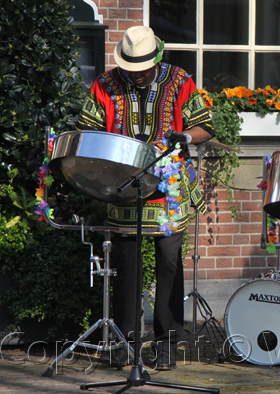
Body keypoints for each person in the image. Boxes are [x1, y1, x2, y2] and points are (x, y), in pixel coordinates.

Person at [75, 25, 214, 370]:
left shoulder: (179, 80)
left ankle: (166, 343)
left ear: (157, 60)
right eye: (130, 69)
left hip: (168, 190)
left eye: (143, 70)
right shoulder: (105, 85)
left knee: (168, 263)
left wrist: (183, 136)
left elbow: (205, 126)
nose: (136, 76)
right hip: (124, 187)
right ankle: (125, 340)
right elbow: (87, 130)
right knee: (127, 266)